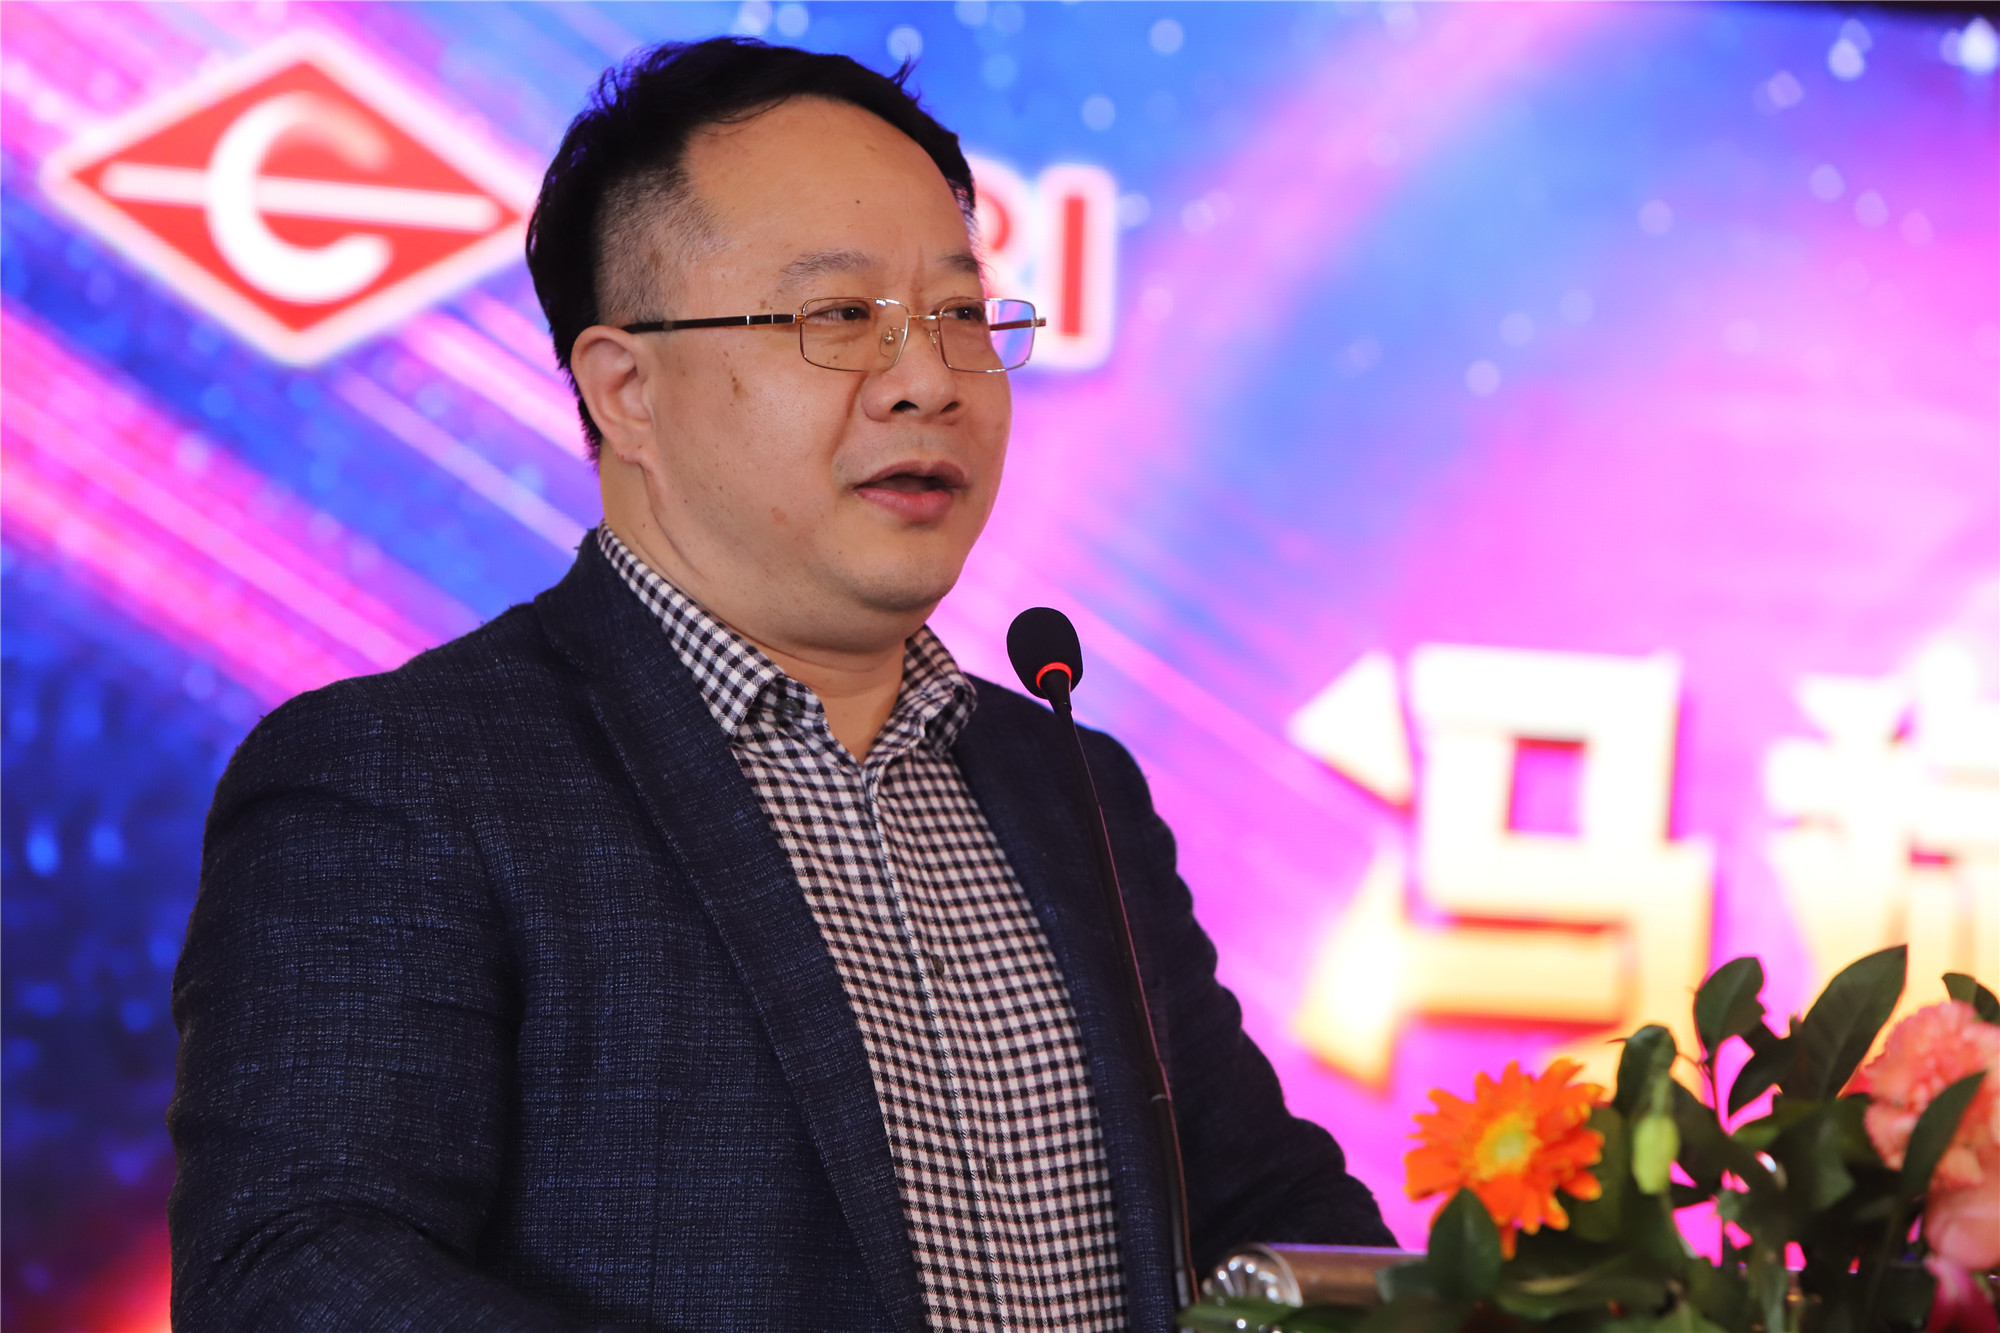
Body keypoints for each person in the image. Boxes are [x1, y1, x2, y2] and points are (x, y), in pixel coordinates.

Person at [168, 37, 1390, 1333]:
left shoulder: (1068, 783)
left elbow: (1269, 1219)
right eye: (839, 318)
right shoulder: (405, 777)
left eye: (959, 314)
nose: (927, 381)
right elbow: (298, 1274)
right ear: (626, 390)